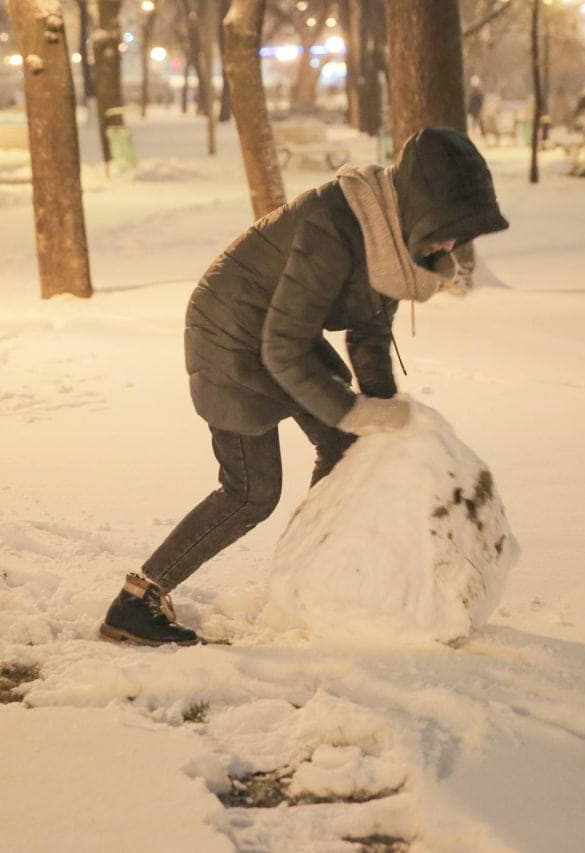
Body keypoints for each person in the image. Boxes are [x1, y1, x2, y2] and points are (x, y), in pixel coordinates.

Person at [100, 127, 510, 646]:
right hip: (229, 333)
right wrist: (355, 411)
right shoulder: (334, 225)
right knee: (250, 492)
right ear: (424, 207)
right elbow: (283, 349)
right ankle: (137, 600)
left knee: (346, 448)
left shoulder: (391, 235)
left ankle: (316, 570)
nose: (450, 245)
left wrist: (381, 408)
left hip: (279, 331)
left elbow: (369, 330)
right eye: (447, 229)